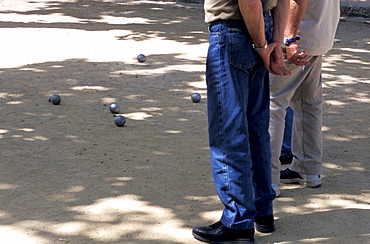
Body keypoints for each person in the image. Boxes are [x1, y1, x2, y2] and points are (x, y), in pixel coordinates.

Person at [192, 0, 290, 243]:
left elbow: (249, 1)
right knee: (256, 129)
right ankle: (262, 211)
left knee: (229, 131)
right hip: (260, 28)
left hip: (234, 31)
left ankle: (238, 221)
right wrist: (273, 43)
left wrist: (262, 46)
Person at [269, 0, 340, 197]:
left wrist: (290, 39)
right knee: (308, 104)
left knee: (272, 105)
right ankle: (307, 169)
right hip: (317, 34)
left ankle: (268, 179)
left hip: (297, 38)